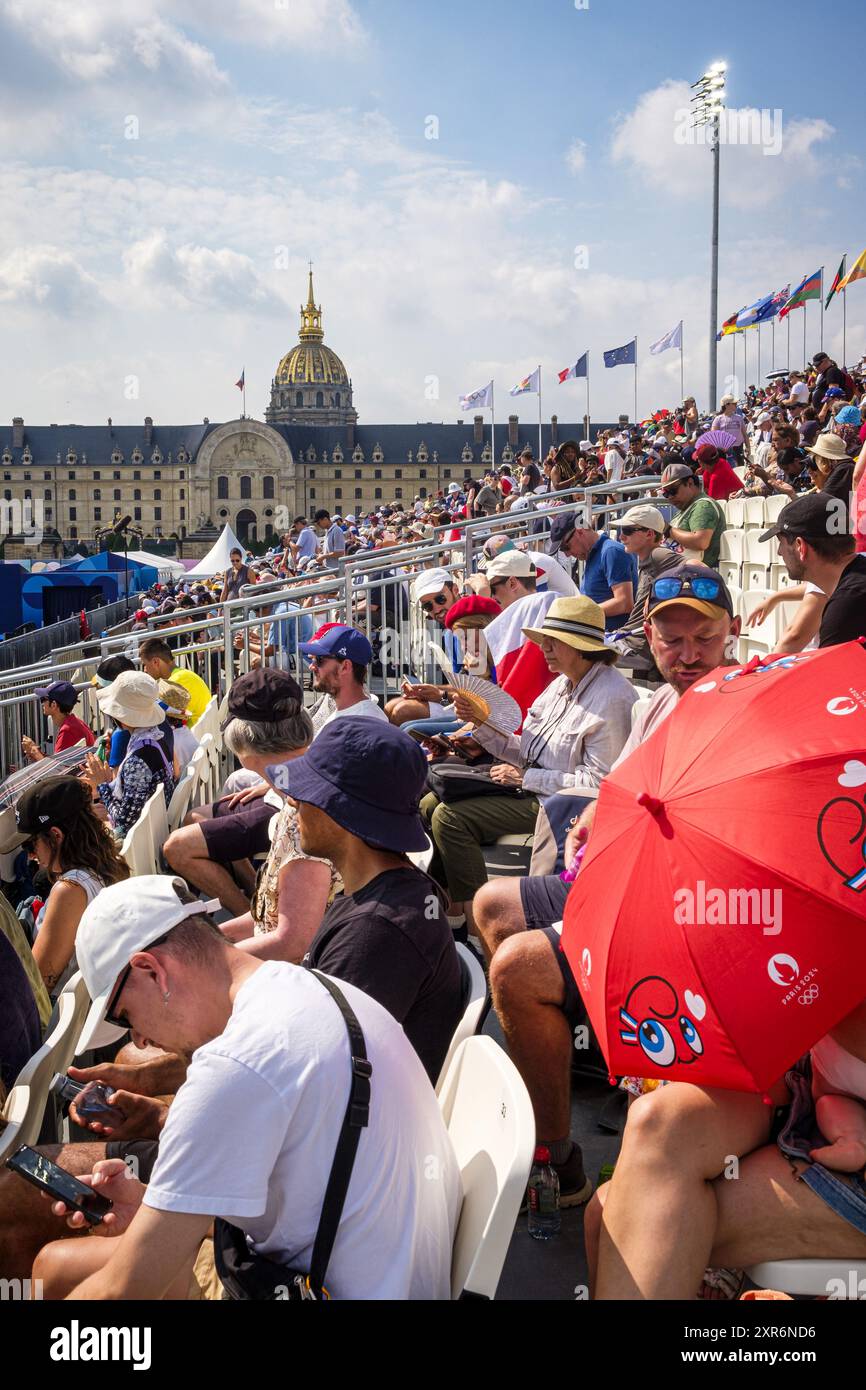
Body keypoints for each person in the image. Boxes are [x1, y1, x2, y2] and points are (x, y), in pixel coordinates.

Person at [32, 876, 460, 1300]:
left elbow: (123, 1291)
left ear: (152, 970)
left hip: (333, 1285)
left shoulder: (231, 1068)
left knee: (55, 1275)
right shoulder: (312, 986)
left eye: (124, 1017)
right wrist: (151, 1203)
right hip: (390, 1273)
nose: (138, 1040)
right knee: (57, 1267)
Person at [474, 567, 740, 1203]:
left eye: (704, 637)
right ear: (648, 637)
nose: (689, 655)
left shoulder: (735, 707)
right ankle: (570, 1064)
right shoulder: (655, 705)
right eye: (672, 641)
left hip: (687, 911)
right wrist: (596, 816)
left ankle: (557, 1151)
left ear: (733, 631)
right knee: (493, 905)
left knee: (517, 966)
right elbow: (615, 785)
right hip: (623, 879)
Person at [422, 596, 638, 931]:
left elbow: (597, 786)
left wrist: (526, 778)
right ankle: (449, 910)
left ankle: (482, 922)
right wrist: (480, 731)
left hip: (557, 806)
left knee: (450, 818)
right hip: (530, 789)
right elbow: (530, 748)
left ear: (579, 647)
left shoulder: (612, 699)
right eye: (544, 640)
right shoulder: (563, 683)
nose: (544, 648)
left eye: (552, 641)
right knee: (429, 802)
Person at [269, 720, 463, 1084]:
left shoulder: (376, 934)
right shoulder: (380, 893)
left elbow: (315, 1079)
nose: (293, 800)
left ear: (343, 812)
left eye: (307, 792)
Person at [163, 670, 302, 916]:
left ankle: (254, 920)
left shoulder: (297, 804)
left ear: (247, 735)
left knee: (177, 847)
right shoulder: (301, 749)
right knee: (195, 818)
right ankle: (253, 896)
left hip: (281, 809)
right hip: (274, 798)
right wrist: (267, 784)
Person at [15, 776, 129, 996]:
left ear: (56, 836)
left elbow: (36, 990)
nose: (30, 855)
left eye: (30, 844)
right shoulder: (107, 864)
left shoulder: (70, 890)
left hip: (59, 1021)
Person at [760, 493, 866, 647]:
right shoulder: (856, 578)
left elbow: (831, 670)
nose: (779, 552)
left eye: (781, 543)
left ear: (800, 546)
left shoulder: (846, 608)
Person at [82, 673, 176, 840]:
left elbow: (124, 823)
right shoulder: (157, 737)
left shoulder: (137, 760)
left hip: (142, 840)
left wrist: (102, 785)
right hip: (156, 827)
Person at [606, 504, 681, 673]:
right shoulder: (647, 560)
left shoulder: (658, 554)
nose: (621, 536)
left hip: (637, 649)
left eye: (628, 530)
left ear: (649, 533)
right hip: (628, 641)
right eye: (621, 530)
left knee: (575, 655)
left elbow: (697, 566)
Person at [384, 569, 462, 727]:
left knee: (402, 712)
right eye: (428, 606)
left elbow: (479, 690)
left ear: (455, 590)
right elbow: (463, 684)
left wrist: (440, 694)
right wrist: (429, 690)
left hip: (473, 711)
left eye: (440, 599)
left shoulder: (471, 626)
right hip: (460, 700)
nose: (436, 609)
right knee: (389, 707)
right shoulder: (449, 630)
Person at [548, 514, 637, 631]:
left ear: (580, 532)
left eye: (566, 547)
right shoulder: (596, 554)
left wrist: (580, 613)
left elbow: (624, 603)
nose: (567, 554)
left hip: (617, 638)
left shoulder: (611, 551)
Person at [299, 624, 388, 728]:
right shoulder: (347, 713)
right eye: (312, 660)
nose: (311, 666)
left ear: (345, 667)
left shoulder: (363, 723)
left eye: (319, 660)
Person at [660, 461, 726, 568]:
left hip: (699, 577)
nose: (670, 497)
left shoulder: (703, 505)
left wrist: (668, 530)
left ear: (690, 483)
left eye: (672, 491)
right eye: (665, 493)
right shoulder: (686, 507)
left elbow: (701, 541)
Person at [139, 637, 212, 727]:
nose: (144, 670)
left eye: (145, 665)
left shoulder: (176, 682)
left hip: (192, 736)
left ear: (155, 662)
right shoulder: (183, 675)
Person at [22, 681, 95, 764]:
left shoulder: (68, 731)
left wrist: (33, 750)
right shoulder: (74, 723)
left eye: (43, 699)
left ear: (54, 705)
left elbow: (55, 770)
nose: (42, 703)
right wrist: (36, 753)